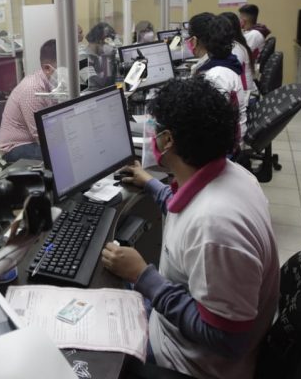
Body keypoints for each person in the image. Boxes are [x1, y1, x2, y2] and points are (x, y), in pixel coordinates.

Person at [101, 76, 279, 379]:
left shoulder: (215, 226)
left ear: (168, 140)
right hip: (185, 336)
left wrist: (143, 276)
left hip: (190, 363)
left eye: (155, 129)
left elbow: (228, 339)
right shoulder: (233, 174)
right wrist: (153, 186)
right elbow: (187, 207)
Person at [186, 13, 248, 145]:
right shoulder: (224, 62)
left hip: (223, 148)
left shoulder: (216, 76)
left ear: (194, 40)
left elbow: (206, 123)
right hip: (224, 138)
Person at [0, 39, 58, 162]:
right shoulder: (32, 90)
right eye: (63, 68)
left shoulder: (50, 83)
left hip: (33, 139)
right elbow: (40, 135)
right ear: (47, 68)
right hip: (17, 146)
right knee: (60, 156)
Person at [220, 11, 258, 97]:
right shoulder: (236, 44)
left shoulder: (236, 49)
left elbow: (229, 74)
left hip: (247, 96)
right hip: (245, 93)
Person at [83, 22, 118, 89]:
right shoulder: (83, 57)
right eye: (107, 41)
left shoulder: (102, 57)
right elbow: (95, 85)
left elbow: (113, 83)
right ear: (97, 40)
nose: (110, 45)